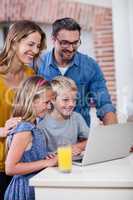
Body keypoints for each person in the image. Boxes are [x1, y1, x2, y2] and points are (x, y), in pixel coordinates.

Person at [38, 17, 117, 127]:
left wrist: (113, 132)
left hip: (80, 138)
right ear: (53, 39)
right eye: (65, 43)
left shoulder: (90, 66)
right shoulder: (37, 65)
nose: (71, 49)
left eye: (75, 43)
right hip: (46, 137)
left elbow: (104, 104)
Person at [0, 20, 46, 199]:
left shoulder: (31, 76)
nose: (35, 51)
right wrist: (3, 130)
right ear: (14, 41)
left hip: (22, 165)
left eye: (38, 46)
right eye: (30, 44)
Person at [4, 76, 57, 200]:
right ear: (32, 101)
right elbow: (10, 168)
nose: (49, 107)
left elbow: (27, 157)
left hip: (34, 184)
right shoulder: (24, 129)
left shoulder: (32, 126)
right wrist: (47, 162)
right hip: (25, 190)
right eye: (46, 102)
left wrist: (43, 156)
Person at [38, 76, 89, 156]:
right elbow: (40, 155)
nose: (71, 104)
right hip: (53, 166)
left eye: (74, 100)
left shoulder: (76, 118)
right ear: (53, 100)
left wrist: (77, 147)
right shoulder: (42, 126)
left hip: (73, 164)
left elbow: (92, 141)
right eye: (65, 100)